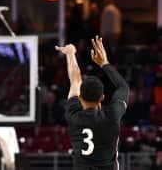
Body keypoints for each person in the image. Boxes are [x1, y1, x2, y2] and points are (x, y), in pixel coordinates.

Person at [55, 36, 129, 169]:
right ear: (102, 97)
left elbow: (75, 81)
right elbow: (123, 87)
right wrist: (104, 63)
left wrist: (71, 53)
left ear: (80, 98)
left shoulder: (73, 114)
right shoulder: (112, 115)